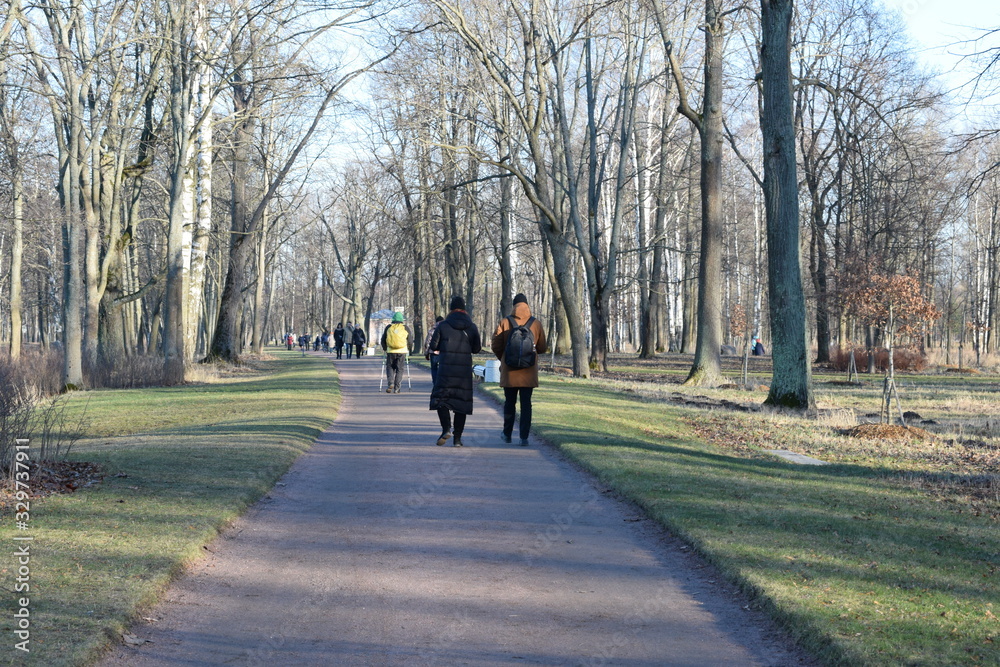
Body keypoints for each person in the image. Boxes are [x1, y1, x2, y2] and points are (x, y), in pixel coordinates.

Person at [491, 293, 547, 446]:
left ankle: (507, 434)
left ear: (513, 306)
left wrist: (503, 358)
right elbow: (542, 347)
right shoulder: (536, 323)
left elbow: (495, 345)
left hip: (509, 371)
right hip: (528, 372)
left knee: (509, 403)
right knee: (526, 404)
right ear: (527, 305)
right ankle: (524, 437)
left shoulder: (504, 322)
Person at [428, 296, 482, 447]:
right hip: (464, 372)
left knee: (440, 399)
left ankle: (446, 428)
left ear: (451, 309)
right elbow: (477, 349)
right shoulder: (471, 327)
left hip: (446, 369)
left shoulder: (443, 326)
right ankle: (457, 439)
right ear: (464, 309)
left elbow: (434, 346)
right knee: (461, 404)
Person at [380, 312, 413, 393]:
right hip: (402, 351)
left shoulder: (388, 327)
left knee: (390, 367)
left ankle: (390, 383)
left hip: (390, 351)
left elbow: (383, 339)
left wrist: (385, 348)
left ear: (393, 319)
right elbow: (410, 340)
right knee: (400, 369)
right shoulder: (405, 328)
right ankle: (397, 388)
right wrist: (409, 348)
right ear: (402, 320)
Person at [423, 315, 444, 386]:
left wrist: (426, 353)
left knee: (434, 369)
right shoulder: (446, 329)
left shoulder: (432, 330)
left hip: (433, 352)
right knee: (442, 368)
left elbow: (427, 343)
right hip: (443, 353)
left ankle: (435, 383)